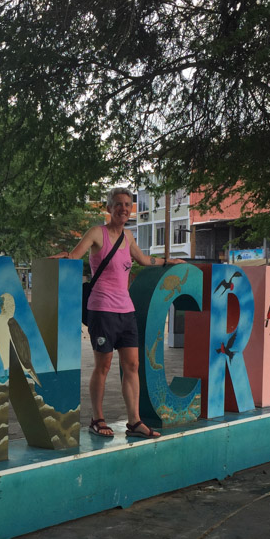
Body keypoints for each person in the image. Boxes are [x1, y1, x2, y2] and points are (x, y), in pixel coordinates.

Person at [54, 187, 184, 439]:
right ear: (109, 208)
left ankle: (134, 421)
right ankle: (97, 418)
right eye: (118, 204)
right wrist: (64, 257)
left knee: (132, 365)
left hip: (127, 311)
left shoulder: (128, 238)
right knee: (103, 366)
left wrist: (169, 261)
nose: (123, 208)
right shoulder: (96, 233)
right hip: (102, 310)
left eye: (128, 204)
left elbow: (145, 261)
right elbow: (74, 255)